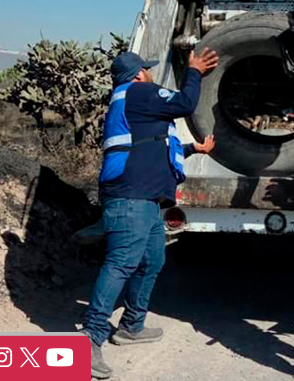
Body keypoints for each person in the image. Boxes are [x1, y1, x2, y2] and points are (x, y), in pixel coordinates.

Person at [84, 48, 219, 379]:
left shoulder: (131, 102)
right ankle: (89, 339)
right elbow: (186, 104)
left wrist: (192, 149)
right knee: (121, 264)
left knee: (152, 261)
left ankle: (131, 326)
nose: (150, 72)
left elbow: (153, 143)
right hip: (131, 199)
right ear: (139, 74)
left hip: (145, 201)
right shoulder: (139, 92)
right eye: (147, 68)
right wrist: (195, 71)